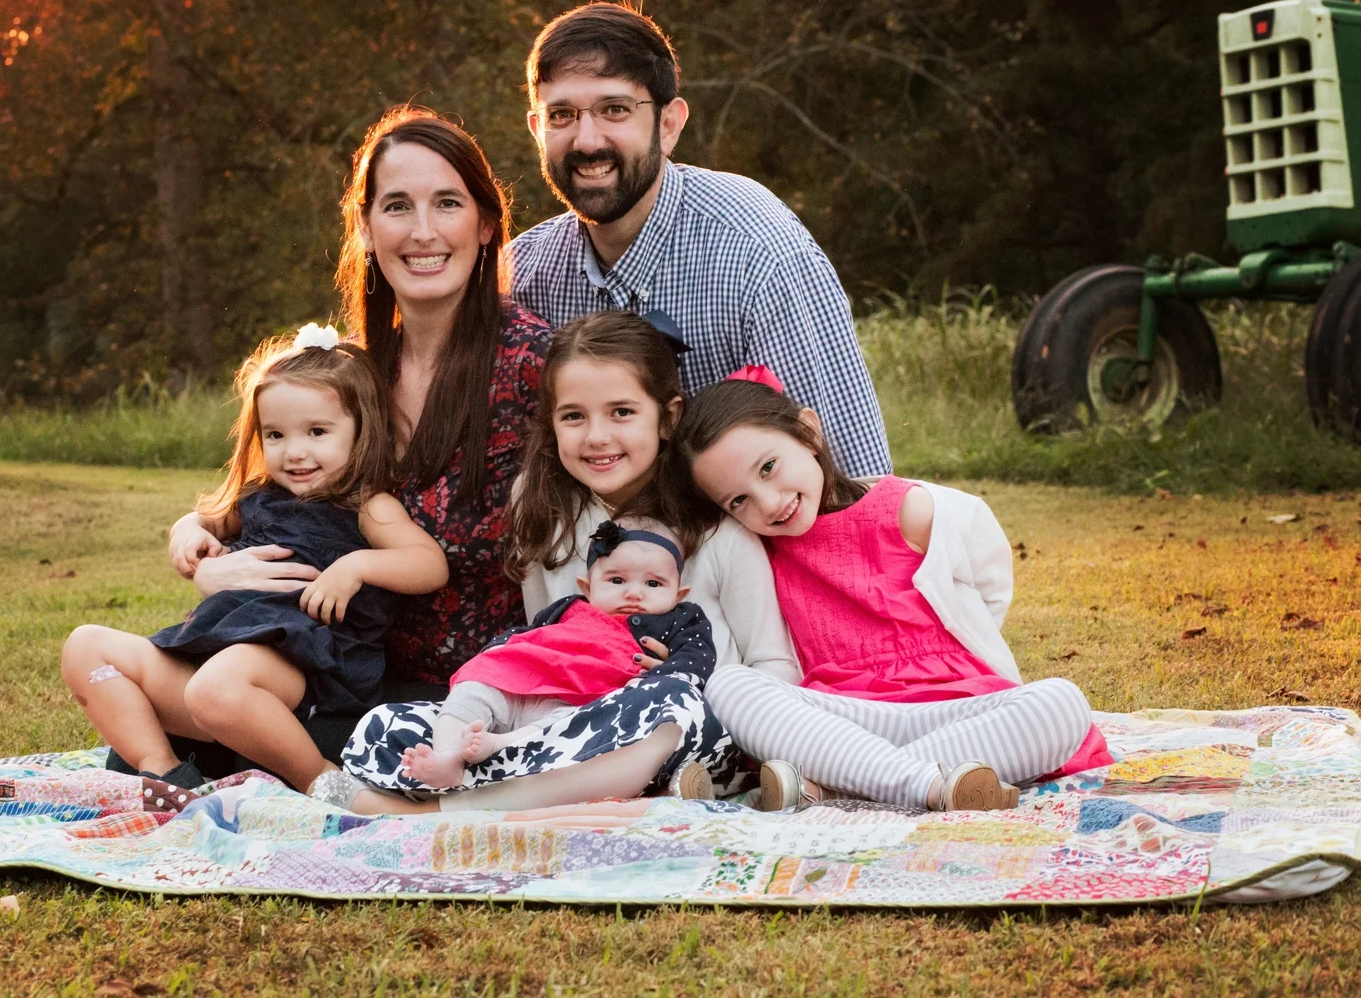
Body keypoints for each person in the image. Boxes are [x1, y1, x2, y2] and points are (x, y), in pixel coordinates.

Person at [164, 107, 553, 777]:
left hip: (479, 695)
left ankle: (330, 778)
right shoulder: (355, 371)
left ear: (486, 224)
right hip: (342, 667)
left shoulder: (533, 364)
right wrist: (200, 547)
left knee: (216, 725)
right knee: (152, 727)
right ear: (367, 228)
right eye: (398, 206)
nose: (423, 231)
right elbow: (277, 488)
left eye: (448, 203)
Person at [331, 311, 800, 815]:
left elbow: (777, 666)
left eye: (622, 412)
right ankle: (560, 797)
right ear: (550, 423)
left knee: (664, 707)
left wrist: (697, 681)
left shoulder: (717, 529)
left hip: (685, 730)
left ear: (667, 418)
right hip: (558, 726)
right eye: (574, 416)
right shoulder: (542, 510)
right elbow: (546, 638)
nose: (596, 437)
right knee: (388, 724)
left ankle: (440, 813)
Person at [672, 371, 1109, 812]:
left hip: (956, 707)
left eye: (768, 468)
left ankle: (846, 786)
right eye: (739, 501)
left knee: (1060, 704)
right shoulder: (757, 552)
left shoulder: (906, 508)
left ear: (808, 433)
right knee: (731, 687)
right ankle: (922, 782)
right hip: (844, 719)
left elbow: (988, 579)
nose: (768, 503)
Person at [508, 1, 891, 478]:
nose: (587, 140)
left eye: (614, 110)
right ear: (537, 130)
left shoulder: (757, 250)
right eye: (561, 114)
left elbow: (855, 480)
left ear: (669, 124)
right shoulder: (524, 276)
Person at [60, 325, 449, 793]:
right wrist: (186, 532)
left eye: (317, 432)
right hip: (215, 662)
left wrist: (357, 566)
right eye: (276, 434)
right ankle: (164, 773)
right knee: (85, 646)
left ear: (361, 431)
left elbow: (428, 564)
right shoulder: (257, 497)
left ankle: (323, 783)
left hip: (301, 665)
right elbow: (203, 518)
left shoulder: (367, 506)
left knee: (215, 686)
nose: (295, 452)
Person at [401, 519, 717, 789]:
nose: (634, 593)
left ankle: (500, 745)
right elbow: (525, 634)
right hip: (521, 679)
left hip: (581, 700)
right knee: (473, 688)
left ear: (679, 594)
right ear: (588, 587)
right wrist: (494, 655)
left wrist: (655, 681)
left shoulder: (679, 619)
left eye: (653, 583)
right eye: (617, 580)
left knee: (576, 725)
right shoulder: (568, 607)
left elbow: (696, 658)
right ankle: (446, 757)